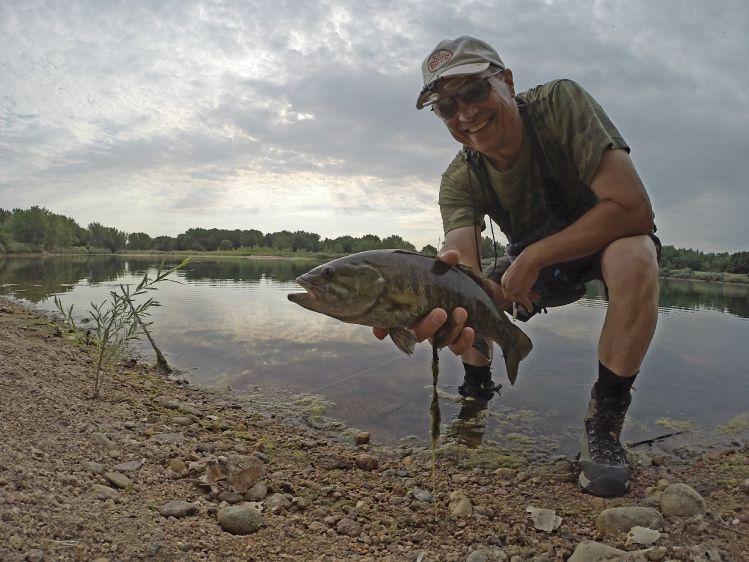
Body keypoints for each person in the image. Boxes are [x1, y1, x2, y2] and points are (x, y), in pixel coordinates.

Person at [377, 36, 660, 498]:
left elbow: (633, 210)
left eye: (473, 92)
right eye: (447, 107)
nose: (465, 114)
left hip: (605, 237)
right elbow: (461, 259)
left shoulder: (560, 103)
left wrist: (534, 257)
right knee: (465, 295)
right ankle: (476, 389)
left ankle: (604, 423)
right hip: (531, 262)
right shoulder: (459, 177)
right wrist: (443, 297)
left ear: (506, 81)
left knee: (636, 254)